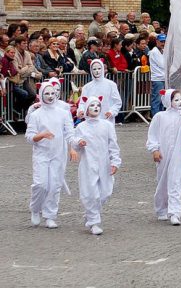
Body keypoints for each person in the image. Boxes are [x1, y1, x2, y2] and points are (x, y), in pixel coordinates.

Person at [25, 82, 77, 228]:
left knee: (54, 185)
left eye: (52, 93)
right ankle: (35, 209)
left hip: (58, 155)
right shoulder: (36, 115)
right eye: (46, 93)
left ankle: (50, 215)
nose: (49, 96)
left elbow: (70, 132)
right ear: (41, 95)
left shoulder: (63, 113)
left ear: (56, 94)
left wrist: (72, 147)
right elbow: (29, 137)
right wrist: (40, 136)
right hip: (41, 154)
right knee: (41, 184)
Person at [73, 95, 121, 235]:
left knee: (105, 192)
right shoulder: (81, 126)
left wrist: (115, 162)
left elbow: (113, 145)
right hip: (88, 163)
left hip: (104, 162)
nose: (95, 108)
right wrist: (79, 142)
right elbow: (75, 143)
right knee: (91, 193)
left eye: (98, 105)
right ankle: (94, 222)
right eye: (92, 105)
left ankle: (90, 213)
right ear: (87, 109)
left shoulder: (107, 125)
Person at [146, 89, 181, 225]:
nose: (179, 103)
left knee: (175, 181)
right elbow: (152, 134)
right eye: (175, 100)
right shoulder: (160, 116)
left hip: (177, 154)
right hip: (163, 153)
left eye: (180, 100)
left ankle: (175, 212)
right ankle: (161, 209)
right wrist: (154, 149)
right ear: (168, 101)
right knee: (162, 181)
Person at [77, 60, 122, 125]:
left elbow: (117, 102)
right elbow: (82, 102)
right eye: (94, 69)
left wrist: (111, 112)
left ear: (103, 69)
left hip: (107, 120)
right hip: (91, 121)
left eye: (99, 68)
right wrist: (81, 110)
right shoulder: (87, 87)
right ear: (91, 70)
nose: (97, 71)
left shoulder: (111, 85)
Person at [1, 44, 36, 113]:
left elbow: (15, 71)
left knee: (30, 95)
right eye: (11, 52)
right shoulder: (4, 60)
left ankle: (17, 110)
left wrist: (18, 70)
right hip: (8, 84)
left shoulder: (10, 60)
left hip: (14, 83)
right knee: (24, 94)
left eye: (14, 53)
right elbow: (11, 73)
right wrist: (26, 67)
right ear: (6, 52)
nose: (13, 54)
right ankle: (15, 110)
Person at [149, 34, 166, 117]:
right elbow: (162, 64)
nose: (163, 43)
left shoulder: (162, 51)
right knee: (157, 99)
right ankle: (155, 117)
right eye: (161, 41)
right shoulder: (154, 52)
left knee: (162, 100)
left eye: (164, 41)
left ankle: (161, 117)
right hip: (157, 79)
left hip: (163, 78)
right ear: (157, 41)